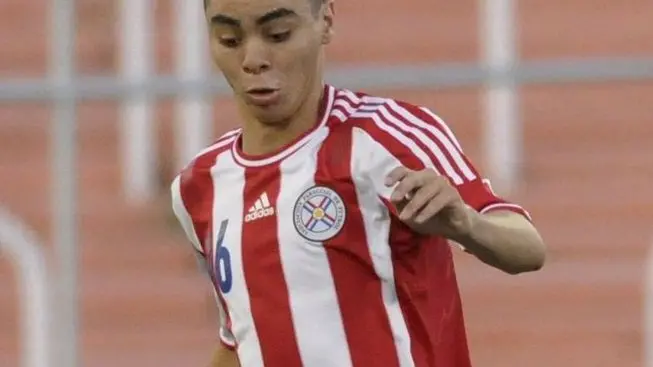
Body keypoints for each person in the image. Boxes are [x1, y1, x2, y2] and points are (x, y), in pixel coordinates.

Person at [170, 0, 547, 366]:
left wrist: (467, 224)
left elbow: (527, 248)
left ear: (326, 22)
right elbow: (242, 341)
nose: (253, 60)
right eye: (229, 40)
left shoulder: (386, 136)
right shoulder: (199, 188)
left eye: (278, 34)